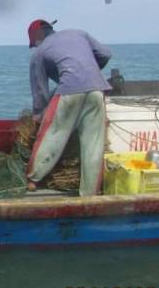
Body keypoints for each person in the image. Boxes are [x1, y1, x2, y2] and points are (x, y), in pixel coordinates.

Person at [26, 19, 112, 197]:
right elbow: (105, 54)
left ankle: (33, 179)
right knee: (93, 144)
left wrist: (38, 117)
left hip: (69, 91)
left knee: (53, 134)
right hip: (97, 89)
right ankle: (89, 193)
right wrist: (91, 69)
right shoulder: (78, 33)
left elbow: (40, 92)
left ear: (37, 39)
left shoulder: (39, 54)